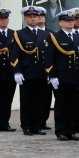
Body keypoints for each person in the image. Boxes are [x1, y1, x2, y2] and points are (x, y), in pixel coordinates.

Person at [45, 9, 79, 141]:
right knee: (61, 105)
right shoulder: (54, 37)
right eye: (67, 21)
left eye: (71, 20)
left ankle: (70, 130)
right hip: (60, 76)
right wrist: (52, 76)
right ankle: (61, 131)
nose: (70, 23)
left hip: (74, 76)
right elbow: (49, 57)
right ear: (60, 23)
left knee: (73, 105)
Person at [14, 7, 49, 135]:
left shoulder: (45, 34)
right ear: (25, 18)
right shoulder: (19, 34)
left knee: (40, 101)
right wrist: (17, 71)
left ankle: (36, 125)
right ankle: (26, 126)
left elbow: (49, 55)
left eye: (35, 16)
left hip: (41, 72)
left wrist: (50, 72)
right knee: (27, 101)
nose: (33, 18)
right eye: (30, 16)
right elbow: (14, 54)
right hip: (27, 72)